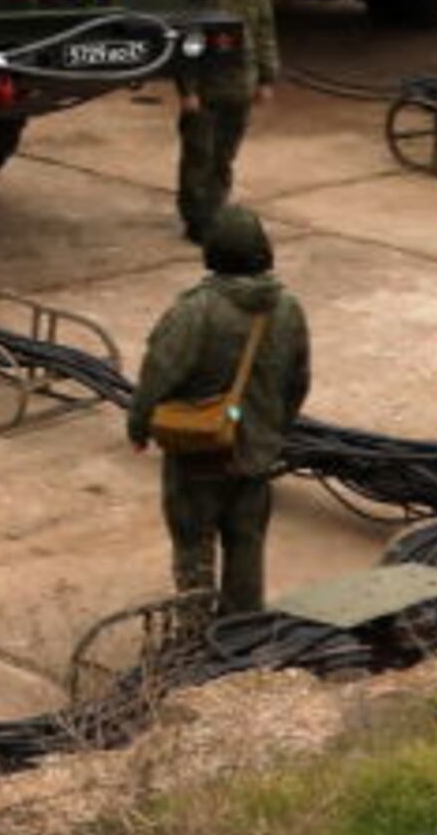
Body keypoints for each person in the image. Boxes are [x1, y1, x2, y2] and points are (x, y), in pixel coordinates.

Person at [125, 203, 312, 619]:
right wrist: (272, 431)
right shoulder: (288, 310)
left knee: (194, 545)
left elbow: (158, 375)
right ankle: (243, 630)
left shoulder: (195, 311)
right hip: (256, 453)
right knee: (247, 541)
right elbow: (298, 383)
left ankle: (195, 633)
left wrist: (138, 426)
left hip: (199, 453)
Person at [174, 0, 279, 241]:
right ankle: (196, 218)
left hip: (240, 86)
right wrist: (187, 89)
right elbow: (186, 41)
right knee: (199, 155)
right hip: (207, 87)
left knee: (225, 156)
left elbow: (264, 32)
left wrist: (266, 77)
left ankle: (216, 210)